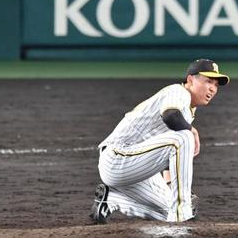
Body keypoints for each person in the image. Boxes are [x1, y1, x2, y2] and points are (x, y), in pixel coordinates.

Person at [89, 58, 230, 224]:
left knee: (167, 209)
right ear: (191, 80)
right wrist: (191, 130)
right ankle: (181, 214)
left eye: (216, 85)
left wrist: (170, 185)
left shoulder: (188, 111)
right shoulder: (178, 92)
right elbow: (170, 116)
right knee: (184, 137)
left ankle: (111, 200)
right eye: (208, 81)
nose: (212, 88)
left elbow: (170, 154)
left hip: (137, 166)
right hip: (117, 159)